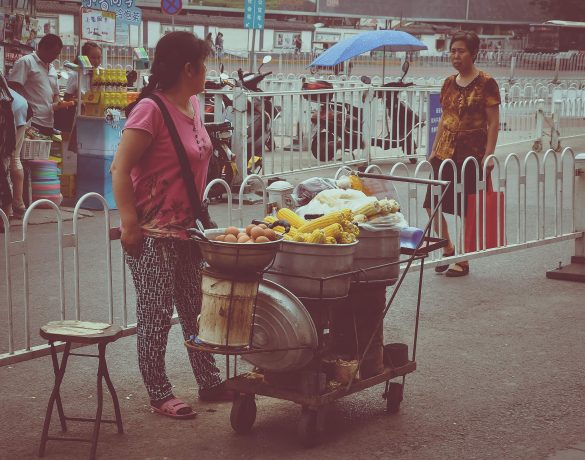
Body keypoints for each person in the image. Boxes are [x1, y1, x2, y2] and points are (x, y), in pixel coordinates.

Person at [110, 31, 232, 420]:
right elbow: (119, 168)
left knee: (196, 309)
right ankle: (159, 392)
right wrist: (130, 224)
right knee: (157, 313)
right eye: (205, 63)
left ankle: (209, 381)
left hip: (187, 229)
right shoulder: (150, 110)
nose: (208, 70)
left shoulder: (194, 103)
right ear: (188, 68)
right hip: (151, 233)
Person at [423, 31, 500, 277]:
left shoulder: (487, 83)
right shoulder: (448, 83)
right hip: (444, 152)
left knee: (467, 208)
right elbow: (445, 119)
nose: (456, 55)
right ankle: (448, 248)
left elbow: (494, 123)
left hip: (471, 155)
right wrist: (433, 150)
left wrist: (489, 155)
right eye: (453, 50)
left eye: (461, 51)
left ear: (474, 53)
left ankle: (463, 260)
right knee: (432, 204)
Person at [7, 34, 68, 136]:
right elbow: (12, 90)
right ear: (43, 48)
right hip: (30, 122)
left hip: (48, 123)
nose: (55, 57)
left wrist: (58, 104)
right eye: (53, 53)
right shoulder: (26, 62)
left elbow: (56, 94)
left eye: (57, 53)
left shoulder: (52, 68)